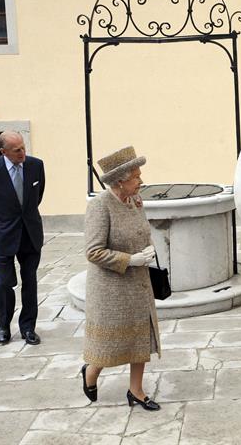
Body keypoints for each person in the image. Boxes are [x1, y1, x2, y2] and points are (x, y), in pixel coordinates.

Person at [81, 145, 161, 411]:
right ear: (120, 181)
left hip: (138, 282)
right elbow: (93, 251)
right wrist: (129, 260)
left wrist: (148, 249)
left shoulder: (136, 200)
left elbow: (140, 231)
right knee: (109, 344)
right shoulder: (100, 206)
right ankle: (91, 372)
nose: (141, 181)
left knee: (141, 339)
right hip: (111, 288)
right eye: (136, 176)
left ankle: (136, 391)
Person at [0, 130, 45, 345]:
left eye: (23, 147)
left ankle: (28, 328)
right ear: (4, 152)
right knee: (4, 283)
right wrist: (1, 225)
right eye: (17, 150)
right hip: (3, 236)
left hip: (30, 233)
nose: (22, 152)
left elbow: (37, 196)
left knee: (30, 281)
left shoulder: (36, 165)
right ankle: (4, 325)